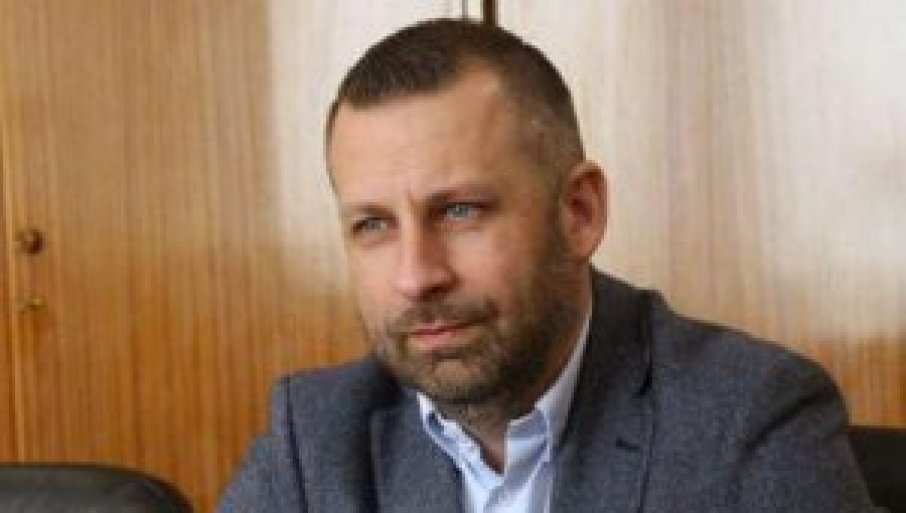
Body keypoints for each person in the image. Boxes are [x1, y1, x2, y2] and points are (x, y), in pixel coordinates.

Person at [218, 18, 880, 513]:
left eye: (460, 211)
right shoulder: (316, 437)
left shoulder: (747, 421)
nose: (416, 276)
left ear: (579, 213)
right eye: (373, 225)